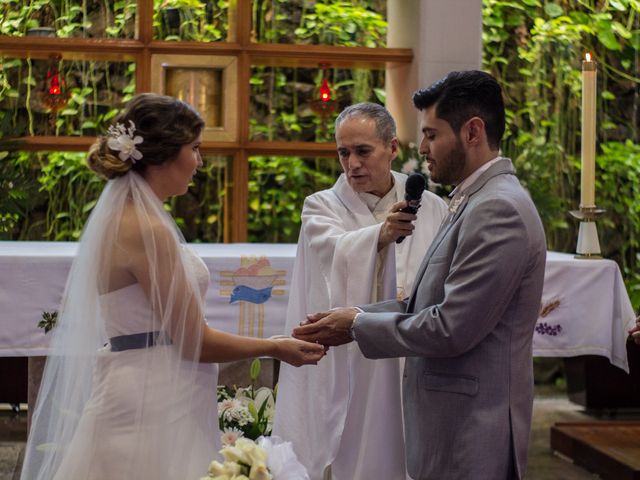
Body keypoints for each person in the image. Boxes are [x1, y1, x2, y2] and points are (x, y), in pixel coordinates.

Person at [20, 93, 325, 480]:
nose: (199, 161)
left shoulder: (131, 218)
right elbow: (194, 341)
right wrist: (275, 347)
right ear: (165, 153)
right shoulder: (145, 228)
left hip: (151, 385)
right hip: (153, 397)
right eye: (194, 148)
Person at [294, 71, 547, 480]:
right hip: (448, 420)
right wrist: (353, 316)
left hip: (470, 424)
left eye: (431, 134)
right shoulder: (472, 200)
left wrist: (357, 324)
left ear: (472, 132)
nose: (423, 148)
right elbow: (422, 303)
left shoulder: (497, 209)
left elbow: (450, 327)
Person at [273, 103, 448, 480]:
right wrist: (379, 236)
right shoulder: (320, 207)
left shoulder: (432, 207)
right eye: (343, 152)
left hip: (411, 352)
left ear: (392, 148)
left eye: (363, 151)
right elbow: (332, 253)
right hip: (350, 357)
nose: (352, 163)